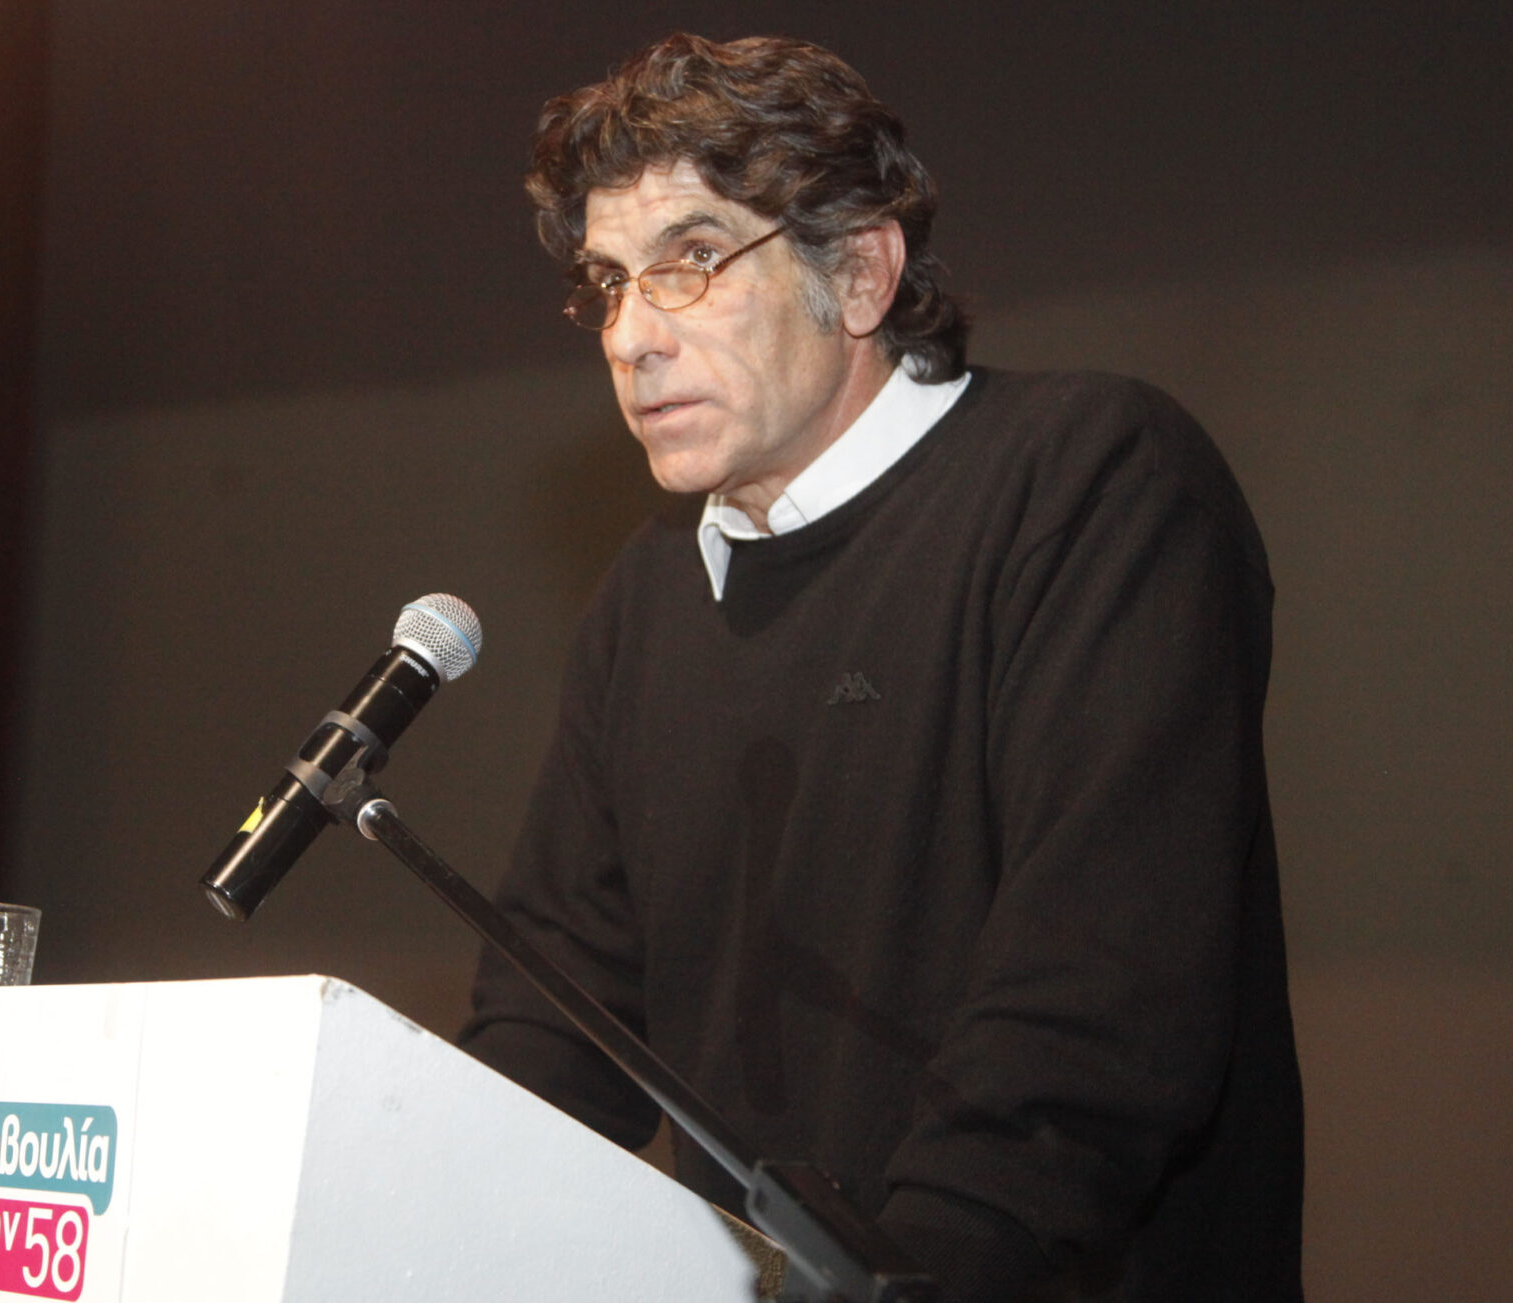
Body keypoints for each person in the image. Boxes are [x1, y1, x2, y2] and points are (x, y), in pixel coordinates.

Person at [456, 32, 1304, 1303]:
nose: (631, 336)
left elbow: (1097, 1005)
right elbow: (554, 1025)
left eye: (690, 261)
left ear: (858, 272)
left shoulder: (1092, 483)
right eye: (608, 283)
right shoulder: (651, 594)